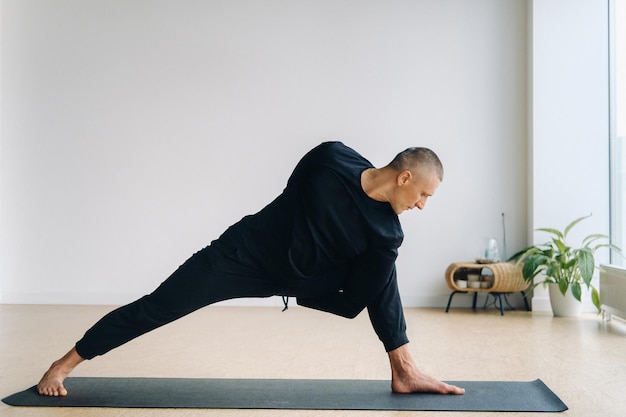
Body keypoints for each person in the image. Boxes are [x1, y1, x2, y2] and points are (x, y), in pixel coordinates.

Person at [37, 141, 465, 397]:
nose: (422, 206)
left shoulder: (387, 233)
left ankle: (403, 367)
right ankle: (65, 362)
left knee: (385, 264)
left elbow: (354, 302)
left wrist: (303, 286)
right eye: (424, 195)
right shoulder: (331, 158)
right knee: (158, 306)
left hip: (302, 279)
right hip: (243, 256)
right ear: (405, 178)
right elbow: (291, 196)